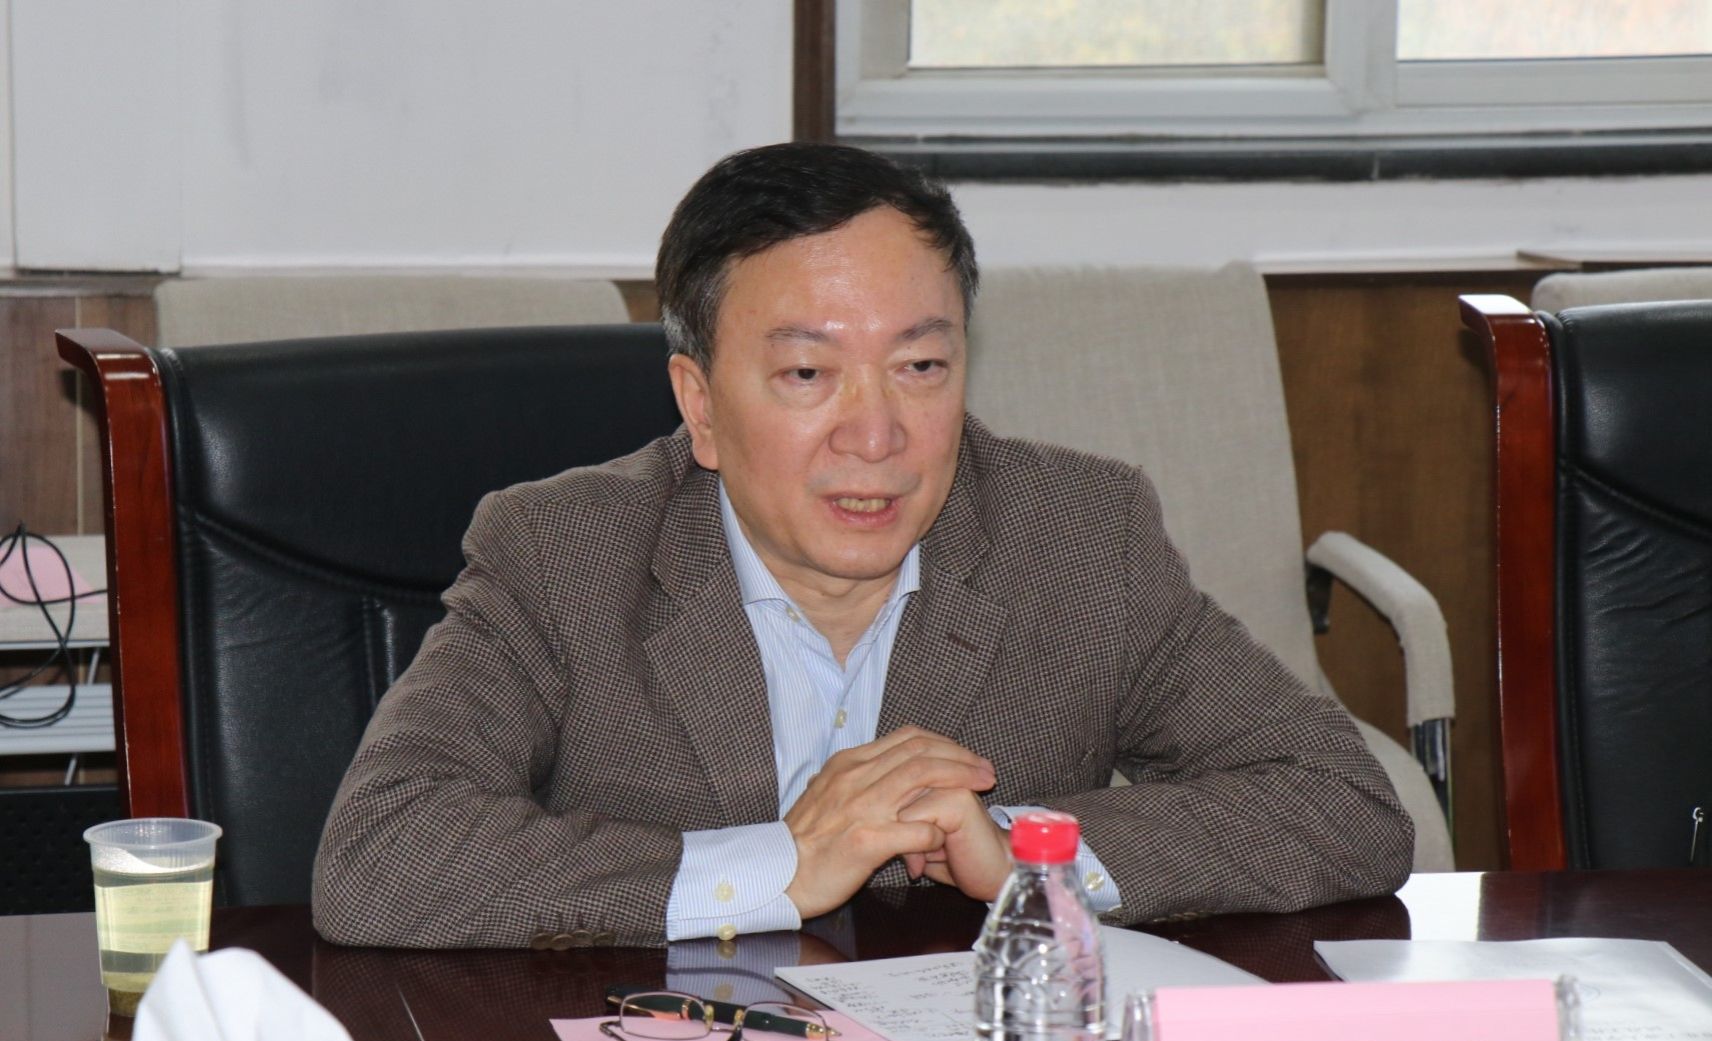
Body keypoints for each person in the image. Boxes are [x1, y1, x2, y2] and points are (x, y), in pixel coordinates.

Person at [312, 142, 1412, 949]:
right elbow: (381, 854)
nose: (876, 434)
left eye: (920, 367)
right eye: (807, 373)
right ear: (700, 404)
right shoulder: (563, 552)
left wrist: (1027, 849)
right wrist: (777, 864)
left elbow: (1340, 800)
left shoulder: (1080, 537)